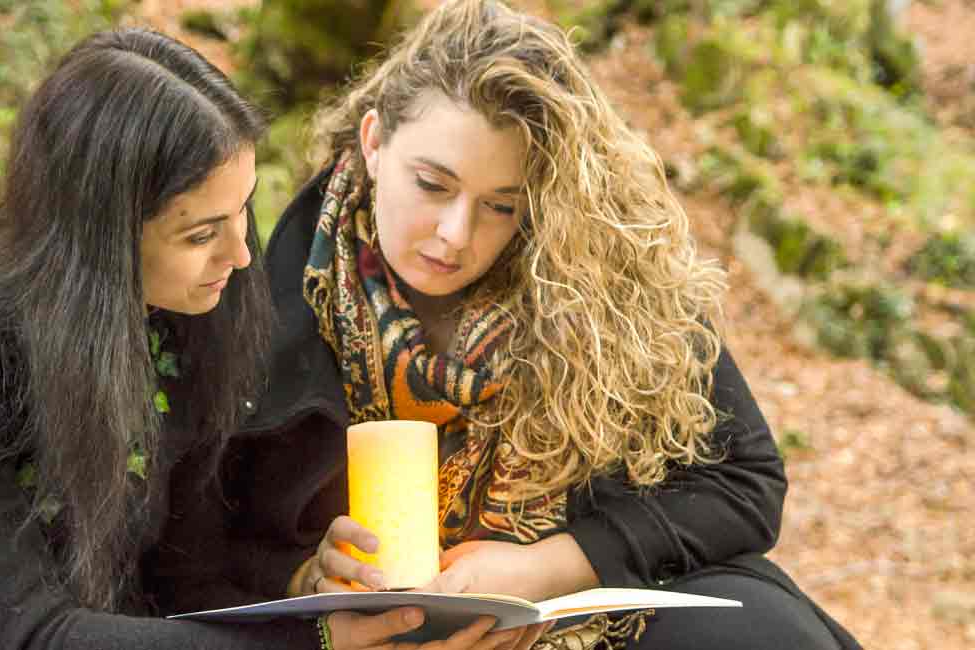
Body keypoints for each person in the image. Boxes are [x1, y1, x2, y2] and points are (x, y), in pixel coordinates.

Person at [0, 27, 522, 650]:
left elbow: (186, 589)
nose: (241, 254)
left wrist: (309, 592)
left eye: (241, 212)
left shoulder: (183, 320)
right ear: (100, 237)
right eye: (199, 233)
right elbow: (36, 629)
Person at [223, 2, 862, 649]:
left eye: (501, 206)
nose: (455, 234)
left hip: (600, 620)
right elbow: (208, 545)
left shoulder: (602, 280)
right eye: (432, 185)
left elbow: (744, 482)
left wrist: (550, 568)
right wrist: (306, 579)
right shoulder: (265, 290)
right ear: (373, 142)